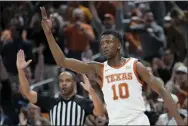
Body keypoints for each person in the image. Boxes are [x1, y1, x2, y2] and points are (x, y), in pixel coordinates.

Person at [40, 6, 184, 125]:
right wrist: (48, 34)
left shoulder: (135, 65)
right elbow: (62, 61)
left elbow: (163, 91)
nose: (105, 46)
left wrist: (179, 121)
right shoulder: (99, 68)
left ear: (119, 45)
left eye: (109, 42)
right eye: (102, 43)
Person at [16, 49, 105, 125]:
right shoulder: (51, 102)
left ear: (74, 83)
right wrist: (20, 71)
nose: (64, 83)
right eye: (61, 81)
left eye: (67, 80)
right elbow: (27, 92)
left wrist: (91, 91)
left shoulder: (83, 102)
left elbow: (100, 111)